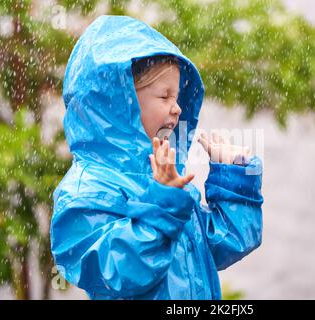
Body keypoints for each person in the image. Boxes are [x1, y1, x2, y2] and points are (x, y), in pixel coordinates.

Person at [50, 15, 264, 300]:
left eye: (177, 98)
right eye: (164, 96)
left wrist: (236, 177)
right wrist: (163, 201)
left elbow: (224, 245)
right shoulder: (86, 190)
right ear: (119, 103)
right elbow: (119, 271)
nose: (176, 109)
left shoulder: (167, 179)